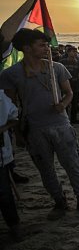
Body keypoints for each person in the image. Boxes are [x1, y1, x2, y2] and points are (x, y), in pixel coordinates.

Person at [0, 28, 79, 220]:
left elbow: (69, 93)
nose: (46, 48)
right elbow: (11, 106)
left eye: (46, 44)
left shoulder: (57, 68)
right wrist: (19, 134)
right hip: (34, 129)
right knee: (46, 169)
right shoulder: (12, 74)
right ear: (27, 48)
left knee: (72, 164)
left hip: (61, 125)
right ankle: (59, 201)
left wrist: (63, 104)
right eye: (41, 45)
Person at [0, 90, 21, 241]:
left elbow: (14, 117)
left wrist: (2, 129)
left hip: (0, 154)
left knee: (4, 193)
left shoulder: (1, 96)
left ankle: (14, 225)